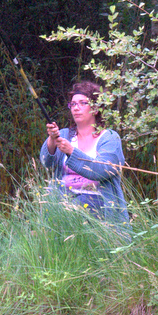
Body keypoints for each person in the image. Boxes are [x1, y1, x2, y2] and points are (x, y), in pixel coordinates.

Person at [40, 80, 130, 229]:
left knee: (80, 204)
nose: (76, 108)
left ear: (95, 108)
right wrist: (51, 138)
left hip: (99, 205)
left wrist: (71, 152)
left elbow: (102, 171)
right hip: (64, 200)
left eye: (82, 103)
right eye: (73, 104)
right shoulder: (64, 135)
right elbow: (46, 163)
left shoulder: (110, 138)